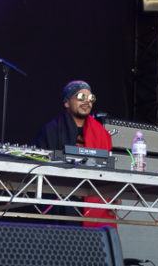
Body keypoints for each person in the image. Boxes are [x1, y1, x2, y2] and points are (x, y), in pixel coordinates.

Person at [33, 80, 115, 228]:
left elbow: (108, 171)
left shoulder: (102, 134)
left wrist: (112, 195)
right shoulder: (50, 130)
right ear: (67, 102)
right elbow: (40, 169)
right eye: (81, 97)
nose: (87, 101)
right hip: (61, 202)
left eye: (90, 98)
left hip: (92, 201)